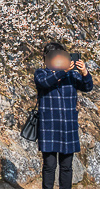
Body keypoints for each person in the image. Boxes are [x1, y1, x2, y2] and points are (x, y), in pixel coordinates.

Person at [34, 42, 94, 189]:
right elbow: (45, 83)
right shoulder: (41, 73)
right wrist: (63, 71)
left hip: (68, 126)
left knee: (66, 166)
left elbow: (88, 87)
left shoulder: (72, 75)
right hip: (49, 126)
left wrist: (85, 72)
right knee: (49, 165)